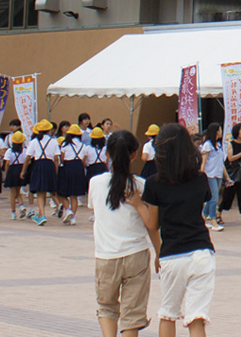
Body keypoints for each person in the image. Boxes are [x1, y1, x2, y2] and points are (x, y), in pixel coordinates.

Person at [138, 123, 216, 337]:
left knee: (168, 313)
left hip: (172, 254)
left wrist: (138, 205)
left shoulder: (154, 184)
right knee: (196, 318)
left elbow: (153, 225)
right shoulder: (200, 180)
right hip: (201, 251)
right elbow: (197, 212)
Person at [91, 129, 152, 337]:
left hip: (106, 255)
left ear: (107, 154)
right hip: (137, 253)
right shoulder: (142, 185)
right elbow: (151, 224)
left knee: (106, 307)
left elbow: (95, 209)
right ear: (134, 154)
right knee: (132, 313)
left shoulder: (96, 183)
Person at [27, 119, 59, 225]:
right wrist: (56, 170)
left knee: (40, 192)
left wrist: (23, 170)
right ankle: (41, 214)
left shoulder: (34, 141)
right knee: (45, 191)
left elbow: (28, 157)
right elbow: (56, 158)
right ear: (49, 130)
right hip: (49, 166)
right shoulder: (54, 141)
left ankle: (42, 214)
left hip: (39, 165)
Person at [199, 123, 227, 232]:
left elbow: (221, 164)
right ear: (216, 132)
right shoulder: (207, 145)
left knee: (211, 198)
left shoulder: (218, 146)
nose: (221, 132)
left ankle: (203, 218)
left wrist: (227, 177)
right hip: (209, 175)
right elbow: (204, 162)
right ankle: (213, 221)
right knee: (214, 197)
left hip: (218, 174)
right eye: (220, 130)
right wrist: (201, 175)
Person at [60, 123, 89, 225]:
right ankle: (73, 217)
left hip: (68, 166)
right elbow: (84, 159)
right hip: (79, 167)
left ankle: (68, 210)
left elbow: (62, 159)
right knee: (74, 195)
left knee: (63, 192)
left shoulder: (65, 144)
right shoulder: (83, 146)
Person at [4, 131, 29, 219]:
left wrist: (6, 173)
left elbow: (7, 163)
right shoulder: (25, 150)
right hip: (21, 169)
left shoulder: (9, 151)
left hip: (12, 170)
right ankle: (21, 206)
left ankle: (13, 212)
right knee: (18, 191)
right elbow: (27, 161)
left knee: (12, 193)